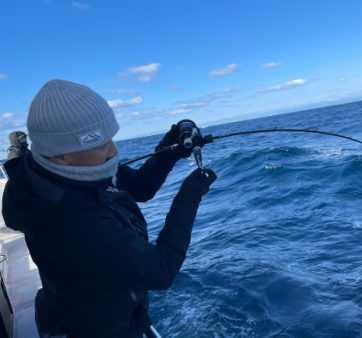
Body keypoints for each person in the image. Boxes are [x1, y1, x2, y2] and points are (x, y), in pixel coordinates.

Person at [1, 79, 216, 338]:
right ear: (61, 154)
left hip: (74, 306)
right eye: (100, 143)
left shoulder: (64, 169)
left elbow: (140, 187)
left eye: (110, 137)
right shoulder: (73, 222)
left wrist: (170, 148)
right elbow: (161, 271)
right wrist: (190, 194)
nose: (113, 150)